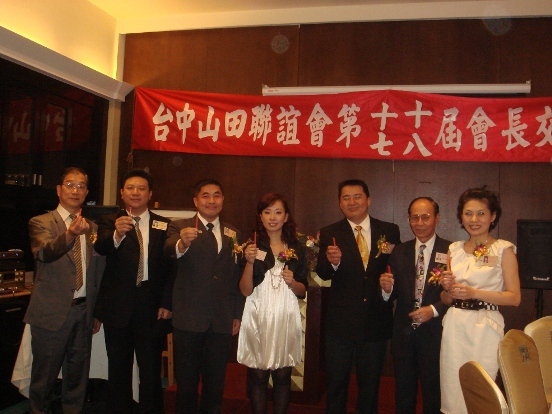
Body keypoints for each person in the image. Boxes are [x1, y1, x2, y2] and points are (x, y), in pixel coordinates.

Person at [24, 167, 105, 414]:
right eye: (70, 185)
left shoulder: (93, 228)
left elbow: (97, 272)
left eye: (81, 186)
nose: (75, 190)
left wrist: (96, 311)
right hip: (51, 313)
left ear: (87, 192)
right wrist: (70, 234)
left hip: (83, 312)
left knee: (77, 377)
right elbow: (44, 253)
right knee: (44, 377)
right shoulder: (41, 222)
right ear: (59, 190)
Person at [316, 179, 401, 414]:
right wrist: (332, 263)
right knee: (336, 385)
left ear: (368, 200)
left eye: (357, 197)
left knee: (370, 387)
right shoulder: (330, 232)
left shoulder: (389, 230)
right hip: (340, 323)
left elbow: (396, 269)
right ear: (339, 203)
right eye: (346, 198)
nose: (352, 202)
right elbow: (323, 272)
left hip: (375, 320)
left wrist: (388, 288)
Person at [93, 169, 174, 414]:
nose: (135, 192)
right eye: (130, 188)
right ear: (122, 192)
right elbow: (101, 247)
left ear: (150, 194)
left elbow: (171, 267)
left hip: (151, 306)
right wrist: (117, 233)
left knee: (150, 371)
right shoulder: (109, 221)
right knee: (118, 370)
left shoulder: (164, 224)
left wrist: (167, 302)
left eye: (141, 188)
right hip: (117, 306)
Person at [164, 179, 244, 414]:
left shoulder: (233, 233)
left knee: (215, 386)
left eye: (216, 195)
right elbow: (169, 250)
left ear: (223, 199)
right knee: (187, 385)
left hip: (221, 320)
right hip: (189, 319)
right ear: (196, 201)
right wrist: (182, 244)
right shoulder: (180, 227)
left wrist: (237, 313)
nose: (211, 200)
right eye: (205, 196)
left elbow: (235, 277)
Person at [439, 186, 521, 414]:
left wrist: (474, 293)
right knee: (453, 387)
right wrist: (448, 289)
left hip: (485, 327)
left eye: (481, 213)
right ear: (461, 216)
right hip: (455, 325)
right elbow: (445, 299)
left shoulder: (503, 249)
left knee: (482, 388)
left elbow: (514, 298)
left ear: (493, 216)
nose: (474, 220)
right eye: (468, 213)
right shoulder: (453, 249)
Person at [237, 193, 308, 414]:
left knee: (283, 375)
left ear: (286, 217)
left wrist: (293, 282)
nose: (272, 217)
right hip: (258, 313)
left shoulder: (296, 248)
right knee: (258, 375)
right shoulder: (251, 246)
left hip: (285, 314)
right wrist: (249, 263)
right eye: (267, 212)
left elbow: (302, 290)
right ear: (260, 216)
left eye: (278, 212)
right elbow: (245, 290)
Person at [379, 197, 451, 414]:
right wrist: (386, 289)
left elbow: (456, 294)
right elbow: (393, 294)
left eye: (425, 217)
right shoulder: (399, 251)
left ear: (437, 218)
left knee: (434, 392)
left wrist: (434, 310)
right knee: (403, 391)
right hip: (404, 333)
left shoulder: (451, 251)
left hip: (437, 331)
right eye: (414, 217)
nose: (419, 223)